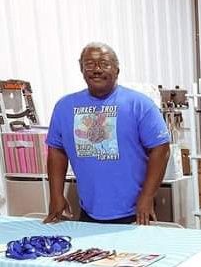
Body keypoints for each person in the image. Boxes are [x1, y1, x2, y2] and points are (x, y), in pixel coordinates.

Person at [45, 42, 170, 225]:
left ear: (117, 70)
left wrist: (147, 195)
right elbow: (56, 151)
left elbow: (161, 149)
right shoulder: (64, 107)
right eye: (89, 64)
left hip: (136, 212)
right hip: (88, 211)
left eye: (104, 64)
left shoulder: (140, 104)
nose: (97, 70)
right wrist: (56, 195)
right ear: (82, 70)